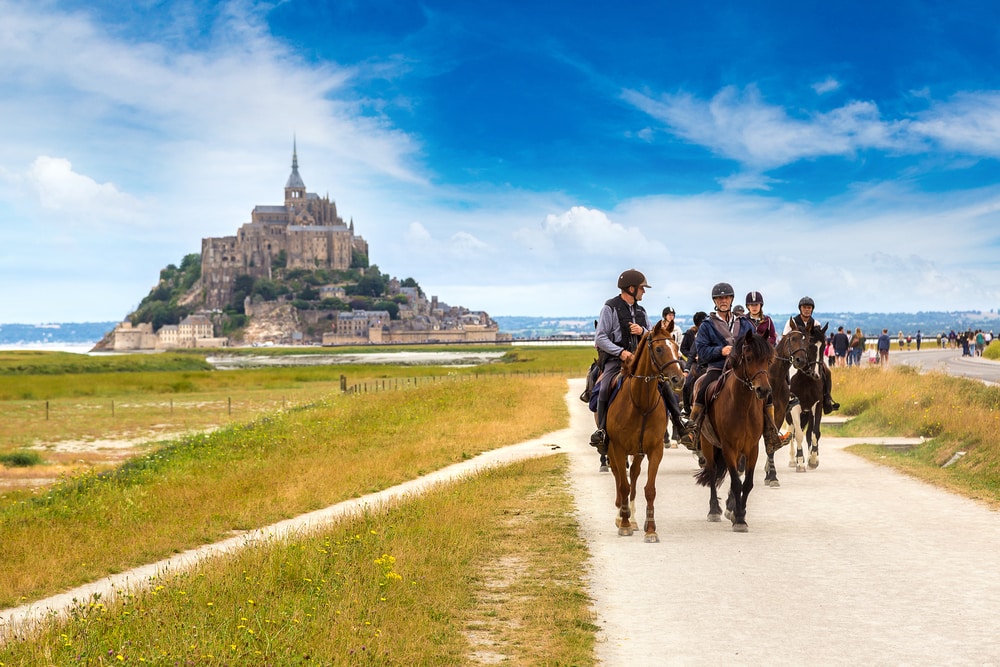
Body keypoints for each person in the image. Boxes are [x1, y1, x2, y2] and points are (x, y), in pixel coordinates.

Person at [680, 282, 791, 454]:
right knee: (702, 388)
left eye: (726, 297)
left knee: (766, 390)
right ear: (715, 301)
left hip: (742, 369)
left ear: (731, 299)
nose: (723, 300)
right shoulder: (707, 325)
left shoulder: (744, 323)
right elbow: (701, 350)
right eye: (719, 298)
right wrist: (720, 350)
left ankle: (771, 434)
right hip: (717, 367)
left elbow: (755, 343)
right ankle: (693, 430)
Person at [589, 269, 651, 453]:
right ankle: (601, 431)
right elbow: (600, 338)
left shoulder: (641, 310)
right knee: (604, 388)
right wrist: (621, 352)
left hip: (639, 362)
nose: (644, 292)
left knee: (662, 385)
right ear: (631, 288)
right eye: (642, 288)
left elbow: (652, 335)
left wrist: (643, 332)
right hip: (616, 362)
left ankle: (678, 422)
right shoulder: (610, 307)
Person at [783, 296, 840, 414]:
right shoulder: (792, 323)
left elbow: (818, 340)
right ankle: (784, 398)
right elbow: (785, 340)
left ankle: (827, 399)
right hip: (795, 356)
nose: (807, 310)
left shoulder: (816, 323)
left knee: (827, 371)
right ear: (800, 309)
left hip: (811, 357)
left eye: (809, 308)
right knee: (782, 372)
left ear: (812, 309)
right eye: (804, 307)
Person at [680, 311, 708, 416]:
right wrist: (686, 370)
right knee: (687, 384)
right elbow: (691, 354)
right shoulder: (695, 336)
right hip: (698, 365)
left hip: (712, 365)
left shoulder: (714, 333)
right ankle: (687, 410)